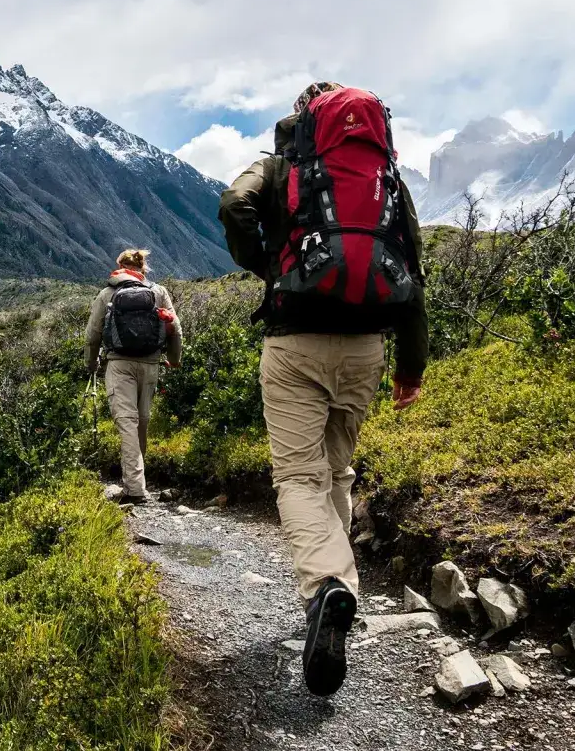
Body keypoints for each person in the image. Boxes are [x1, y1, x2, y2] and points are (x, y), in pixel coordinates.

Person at [217, 81, 428, 697]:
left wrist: (268, 264)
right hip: (366, 347)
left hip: (295, 341)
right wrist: (410, 368)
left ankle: (327, 589)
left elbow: (234, 205)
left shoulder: (282, 166)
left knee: (297, 478)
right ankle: (337, 592)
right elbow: (412, 269)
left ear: (304, 117)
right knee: (336, 473)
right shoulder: (386, 178)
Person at [85, 249, 183, 505]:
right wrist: (174, 359)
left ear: (119, 267)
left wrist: (91, 363)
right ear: (143, 268)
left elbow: (92, 335)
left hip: (119, 365)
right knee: (142, 421)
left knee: (127, 423)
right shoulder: (158, 292)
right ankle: (137, 481)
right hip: (150, 364)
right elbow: (175, 328)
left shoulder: (107, 293)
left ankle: (135, 488)